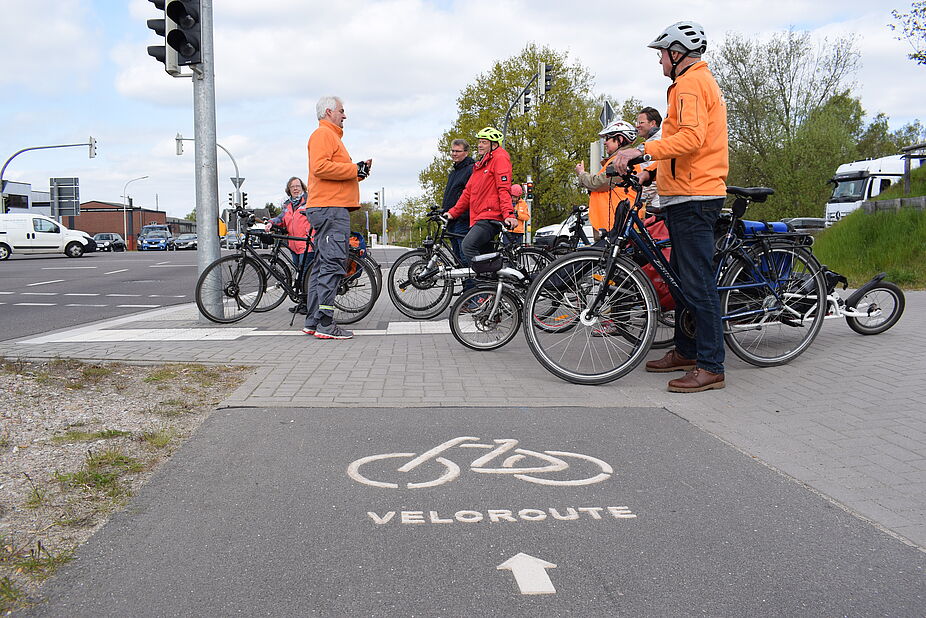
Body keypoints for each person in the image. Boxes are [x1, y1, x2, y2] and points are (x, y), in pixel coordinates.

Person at [612, 21, 729, 393]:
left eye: (662, 53)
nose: (659, 60)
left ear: (677, 54)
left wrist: (642, 149)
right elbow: (678, 144)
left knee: (698, 284)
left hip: (696, 196)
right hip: (682, 193)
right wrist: (651, 171)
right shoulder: (684, 83)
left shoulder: (692, 84)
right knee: (681, 282)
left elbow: (691, 139)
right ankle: (685, 350)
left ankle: (711, 366)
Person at [303, 95, 371, 340]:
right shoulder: (323, 135)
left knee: (323, 266)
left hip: (329, 207)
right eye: (342, 111)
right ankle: (325, 324)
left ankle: (313, 321)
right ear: (329, 111)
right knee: (333, 266)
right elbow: (320, 167)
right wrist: (354, 169)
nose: (345, 115)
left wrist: (358, 173)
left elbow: (331, 172)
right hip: (331, 209)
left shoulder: (329, 136)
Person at [446, 127, 518, 297]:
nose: (479, 145)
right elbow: (468, 193)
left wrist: (509, 214)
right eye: (479, 141)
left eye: (484, 142)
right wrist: (453, 212)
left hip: (491, 216)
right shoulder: (481, 164)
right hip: (480, 217)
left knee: (468, 246)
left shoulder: (500, 158)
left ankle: (484, 289)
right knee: (485, 257)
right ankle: (493, 294)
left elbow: (503, 188)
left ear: (494, 144)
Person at [575, 120, 638, 241]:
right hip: (611, 221)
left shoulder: (621, 161)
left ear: (620, 139)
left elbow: (599, 183)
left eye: (608, 138)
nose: (605, 142)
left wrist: (581, 173)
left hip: (614, 222)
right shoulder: (617, 159)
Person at [267, 176, 314, 313]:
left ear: (302, 187)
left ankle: (308, 305)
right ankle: (303, 302)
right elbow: (281, 218)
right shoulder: (288, 205)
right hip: (294, 245)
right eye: (292, 186)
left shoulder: (309, 201)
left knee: (306, 275)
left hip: (307, 244)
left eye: (297, 186)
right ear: (289, 189)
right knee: (299, 274)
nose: (295, 188)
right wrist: (271, 222)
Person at [441, 139, 475, 263]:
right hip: (452, 219)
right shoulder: (454, 172)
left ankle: (472, 282)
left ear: (466, 152)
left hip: (462, 219)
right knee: (457, 257)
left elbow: (469, 195)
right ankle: (466, 282)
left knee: (464, 256)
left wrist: (461, 214)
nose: (454, 154)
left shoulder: (470, 170)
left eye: (458, 151)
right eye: (452, 151)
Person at [635, 107, 663, 214]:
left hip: (656, 202)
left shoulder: (656, 143)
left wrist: (643, 199)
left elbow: (654, 178)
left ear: (653, 123)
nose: (637, 125)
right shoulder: (651, 142)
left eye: (641, 122)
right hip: (654, 200)